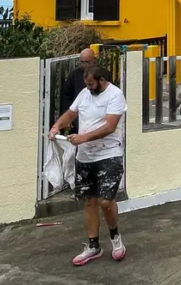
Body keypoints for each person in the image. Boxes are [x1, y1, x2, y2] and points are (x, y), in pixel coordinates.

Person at [49, 65, 127, 265]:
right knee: (89, 202)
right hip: (85, 157)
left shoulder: (115, 95)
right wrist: (57, 126)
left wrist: (83, 137)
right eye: (86, 84)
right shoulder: (84, 94)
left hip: (109, 155)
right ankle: (93, 246)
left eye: (91, 84)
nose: (88, 87)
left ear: (102, 80)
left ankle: (115, 237)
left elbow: (110, 126)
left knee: (105, 202)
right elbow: (71, 114)